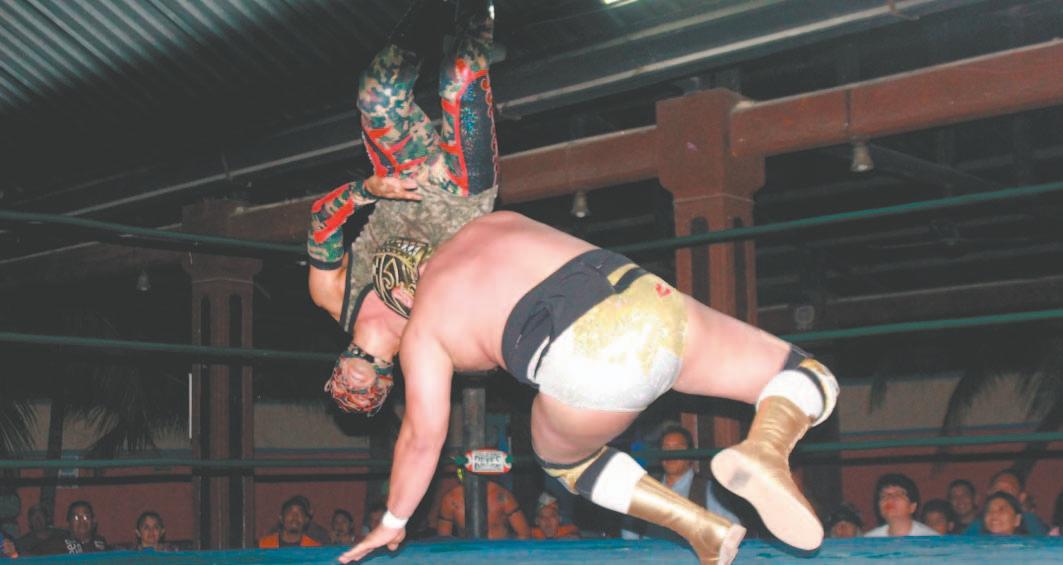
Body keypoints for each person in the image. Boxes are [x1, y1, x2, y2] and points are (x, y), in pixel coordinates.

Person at [332, 211, 841, 565]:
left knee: (562, 460)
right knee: (804, 373)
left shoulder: (424, 325)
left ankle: (697, 526)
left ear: (400, 294)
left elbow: (423, 437)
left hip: (587, 353)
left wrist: (394, 518)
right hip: (650, 300)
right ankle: (768, 447)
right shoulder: (491, 223)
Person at [308, 0, 498, 398]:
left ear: (333, 376)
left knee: (376, 95)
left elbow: (321, 221)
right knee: (460, 77)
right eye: (362, 399)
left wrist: (367, 190)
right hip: (462, 195)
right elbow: (486, 324)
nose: (352, 392)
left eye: (344, 395)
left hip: (401, 179)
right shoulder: (426, 339)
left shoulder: (332, 296)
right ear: (385, 385)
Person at [621, 425, 741, 541]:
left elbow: (733, 528)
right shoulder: (649, 487)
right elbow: (629, 530)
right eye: (666, 448)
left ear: (689, 454)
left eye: (678, 448)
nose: (671, 453)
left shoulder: (706, 488)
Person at [436, 480, 531, 539]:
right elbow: (444, 539)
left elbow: (524, 533)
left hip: (499, 553)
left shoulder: (501, 495)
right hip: (467, 555)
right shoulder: (451, 499)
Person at [964, 468, 1047, 535]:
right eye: (997, 489)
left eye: (1009, 491)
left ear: (1021, 497)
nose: (1001, 494)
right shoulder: (979, 523)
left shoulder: (1030, 522)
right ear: (989, 492)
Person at [863, 473, 939, 537]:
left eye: (898, 494)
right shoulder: (869, 541)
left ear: (912, 507)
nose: (889, 499)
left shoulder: (931, 540)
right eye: (884, 496)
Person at [32, 500, 108, 555]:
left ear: (93, 521)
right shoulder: (57, 543)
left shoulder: (100, 541)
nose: (81, 521)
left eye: (86, 517)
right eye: (76, 518)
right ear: (69, 523)